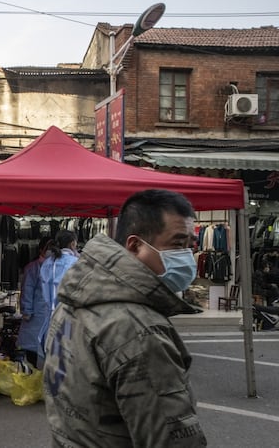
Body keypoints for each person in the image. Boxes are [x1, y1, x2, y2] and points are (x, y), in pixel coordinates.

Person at [43, 189, 206, 447]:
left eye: (189, 246)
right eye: (177, 244)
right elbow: (170, 439)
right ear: (135, 245)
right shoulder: (139, 331)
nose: (187, 256)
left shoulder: (71, 302)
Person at [37, 230, 79, 363]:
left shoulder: (47, 263)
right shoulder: (76, 263)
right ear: (73, 244)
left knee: (49, 365)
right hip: (68, 323)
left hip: (48, 322)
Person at [16, 237, 53, 366]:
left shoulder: (56, 266)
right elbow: (27, 289)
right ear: (41, 250)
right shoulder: (33, 267)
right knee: (33, 347)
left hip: (50, 313)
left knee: (48, 347)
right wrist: (26, 310)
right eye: (48, 249)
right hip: (35, 314)